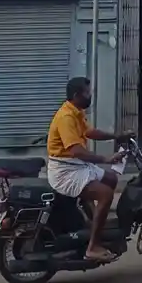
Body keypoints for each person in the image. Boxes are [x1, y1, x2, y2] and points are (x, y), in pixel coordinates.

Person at [47, 76, 127, 262]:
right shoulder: (66, 117)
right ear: (77, 95)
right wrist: (106, 158)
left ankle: (94, 225)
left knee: (111, 179)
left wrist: (117, 136)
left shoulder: (76, 111)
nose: (91, 96)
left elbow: (89, 132)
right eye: (88, 93)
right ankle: (93, 247)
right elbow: (76, 151)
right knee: (105, 194)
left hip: (76, 166)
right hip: (65, 171)